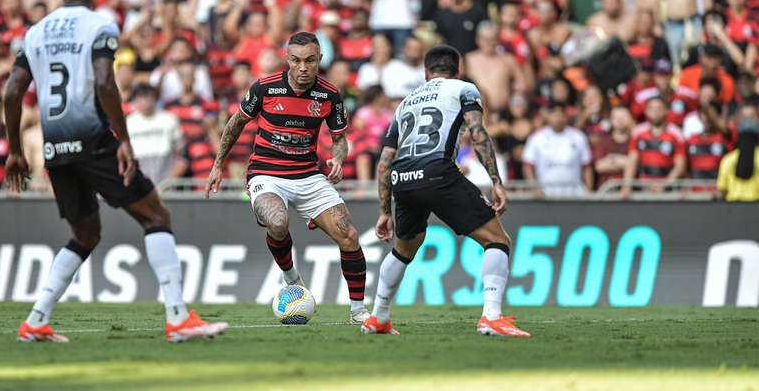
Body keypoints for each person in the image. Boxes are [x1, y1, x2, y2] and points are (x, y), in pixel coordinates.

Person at [2, 0, 227, 343]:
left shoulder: (35, 32)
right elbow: (105, 83)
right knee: (155, 216)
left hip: (55, 146)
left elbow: (11, 91)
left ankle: (36, 320)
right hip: (92, 140)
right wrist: (123, 140)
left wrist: (16, 151)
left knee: (85, 234)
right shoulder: (99, 25)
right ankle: (178, 318)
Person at [363, 44, 529, 338]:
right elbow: (477, 133)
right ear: (458, 69)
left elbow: (384, 161)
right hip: (437, 170)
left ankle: (378, 316)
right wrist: (496, 181)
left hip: (403, 176)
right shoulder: (463, 89)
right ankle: (491, 316)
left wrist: (384, 211)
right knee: (497, 240)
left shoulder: (406, 102)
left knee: (403, 250)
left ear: (426, 72)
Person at [205, 31, 371, 324]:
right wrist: (218, 164)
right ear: (287, 59)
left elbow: (340, 139)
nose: (303, 67)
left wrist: (339, 158)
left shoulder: (329, 94)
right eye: (296, 60)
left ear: (320, 59)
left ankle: (358, 312)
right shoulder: (265, 88)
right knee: (278, 221)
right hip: (267, 174)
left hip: (308, 175)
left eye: (310, 60)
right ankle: (293, 280)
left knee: (349, 235)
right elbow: (235, 123)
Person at [523, 101, 593, 197]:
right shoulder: (536, 138)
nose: (558, 119)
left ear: (566, 116)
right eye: (554, 115)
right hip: (546, 195)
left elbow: (587, 165)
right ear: (548, 116)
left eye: (561, 115)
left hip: (574, 195)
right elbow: (528, 165)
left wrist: (588, 191)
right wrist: (534, 188)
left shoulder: (578, 137)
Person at [621, 97, 686, 198]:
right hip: (643, 189)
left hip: (668, 191)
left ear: (666, 111)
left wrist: (664, 185)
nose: (655, 112)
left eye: (659, 109)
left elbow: (680, 166)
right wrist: (626, 186)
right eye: (651, 109)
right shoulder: (638, 133)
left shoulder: (676, 134)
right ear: (646, 111)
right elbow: (632, 161)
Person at [126, 84, 185, 185]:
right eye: (141, 98)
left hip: (166, 180)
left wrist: (167, 183)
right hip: (139, 181)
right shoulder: (128, 122)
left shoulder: (169, 119)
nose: (145, 102)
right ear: (135, 101)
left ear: (155, 99)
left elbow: (180, 156)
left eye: (148, 97)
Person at [717, 104, 759, 201]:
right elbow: (722, 191)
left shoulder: (727, 160)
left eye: (752, 117)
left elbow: (722, 191)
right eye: (745, 118)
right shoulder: (727, 160)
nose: (748, 122)